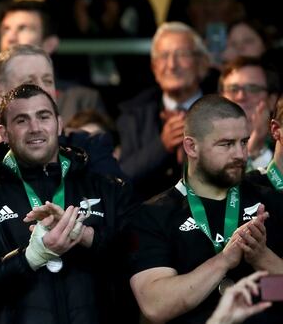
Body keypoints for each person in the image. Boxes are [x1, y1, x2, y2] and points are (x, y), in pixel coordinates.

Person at [0, 84, 131, 323]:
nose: (35, 128)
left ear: (59, 124)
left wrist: (88, 237)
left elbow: (143, 261)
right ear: (4, 133)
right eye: (22, 120)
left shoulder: (109, 189)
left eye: (43, 117)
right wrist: (29, 258)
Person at [129, 95, 283, 323]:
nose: (240, 154)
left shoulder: (271, 200)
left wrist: (262, 258)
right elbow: (156, 305)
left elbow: (278, 291)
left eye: (243, 141)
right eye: (226, 144)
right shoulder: (153, 215)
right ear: (191, 146)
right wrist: (224, 260)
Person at [117, 22, 212, 202]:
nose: (171, 65)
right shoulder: (133, 114)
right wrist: (162, 145)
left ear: (201, 63)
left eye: (181, 55)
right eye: (163, 56)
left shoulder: (221, 108)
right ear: (154, 68)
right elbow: (122, 176)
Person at [219, 58, 279, 170]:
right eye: (233, 89)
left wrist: (256, 148)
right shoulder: (205, 146)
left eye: (253, 89)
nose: (241, 96)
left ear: (272, 100)